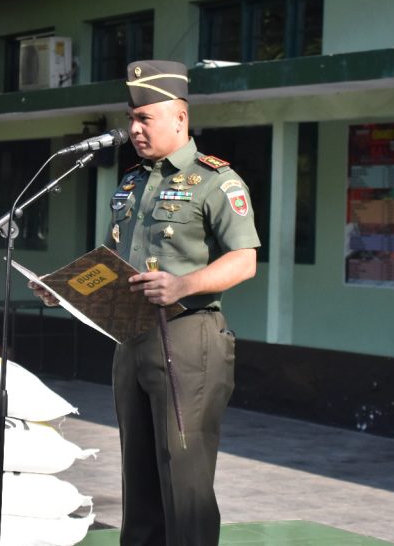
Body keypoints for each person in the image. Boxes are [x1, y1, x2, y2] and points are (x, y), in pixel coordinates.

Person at [32, 59, 260, 546]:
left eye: (144, 118)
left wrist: (183, 284)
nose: (134, 128)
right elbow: (112, 262)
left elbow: (244, 260)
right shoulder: (133, 182)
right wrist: (66, 289)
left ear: (180, 117)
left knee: (184, 476)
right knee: (138, 474)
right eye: (131, 118)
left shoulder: (216, 181)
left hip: (189, 337)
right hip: (132, 337)